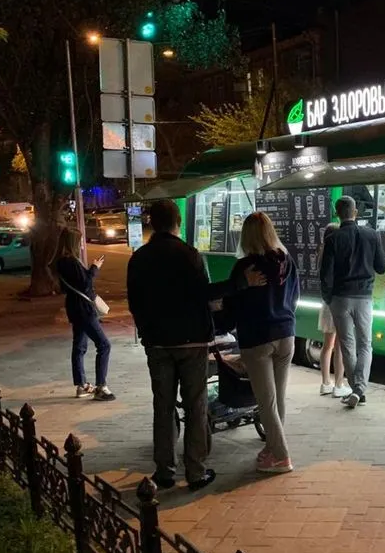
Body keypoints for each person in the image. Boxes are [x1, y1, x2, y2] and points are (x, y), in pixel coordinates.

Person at [127, 199, 263, 491]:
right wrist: (241, 283)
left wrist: (148, 332)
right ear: (177, 222)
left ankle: (164, 471)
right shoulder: (190, 255)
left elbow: (134, 303)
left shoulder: (138, 258)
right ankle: (196, 471)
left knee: (163, 406)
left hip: (157, 344)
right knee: (195, 405)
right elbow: (204, 293)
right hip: (192, 341)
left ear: (152, 223)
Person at [224, 212, 300, 474]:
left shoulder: (245, 267)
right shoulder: (287, 261)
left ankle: (281, 456)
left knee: (266, 401)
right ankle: (271, 447)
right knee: (278, 396)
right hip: (286, 334)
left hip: (257, 339)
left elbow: (233, 306)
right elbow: (295, 296)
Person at [320, 195, 385, 409]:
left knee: (347, 346)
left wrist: (329, 298)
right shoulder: (372, 235)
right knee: (365, 344)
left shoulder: (332, 239)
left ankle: (357, 390)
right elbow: (382, 267)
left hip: (339, 299)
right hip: (364, 298)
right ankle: (359, 390)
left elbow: (325, 275)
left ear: (337, 214)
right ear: (355, 212)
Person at [54, 227, 114, 401]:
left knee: (79, 346)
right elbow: (85, 284)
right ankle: (101, 386)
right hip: (83, 309)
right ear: (73, 242)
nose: (81, 243)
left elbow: (69, 285)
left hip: (74, 307)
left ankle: (81, 385)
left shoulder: (60, 262)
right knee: (104, 345)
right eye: (79, 240)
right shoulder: (71, 261)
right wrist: (95, 268)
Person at [316, 223, 348, 397]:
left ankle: (325, 383)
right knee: (340, 347)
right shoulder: (338, 254)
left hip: (326, 303)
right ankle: (339, 384)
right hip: (338, 301)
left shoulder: (322, 254)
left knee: (327, 345)